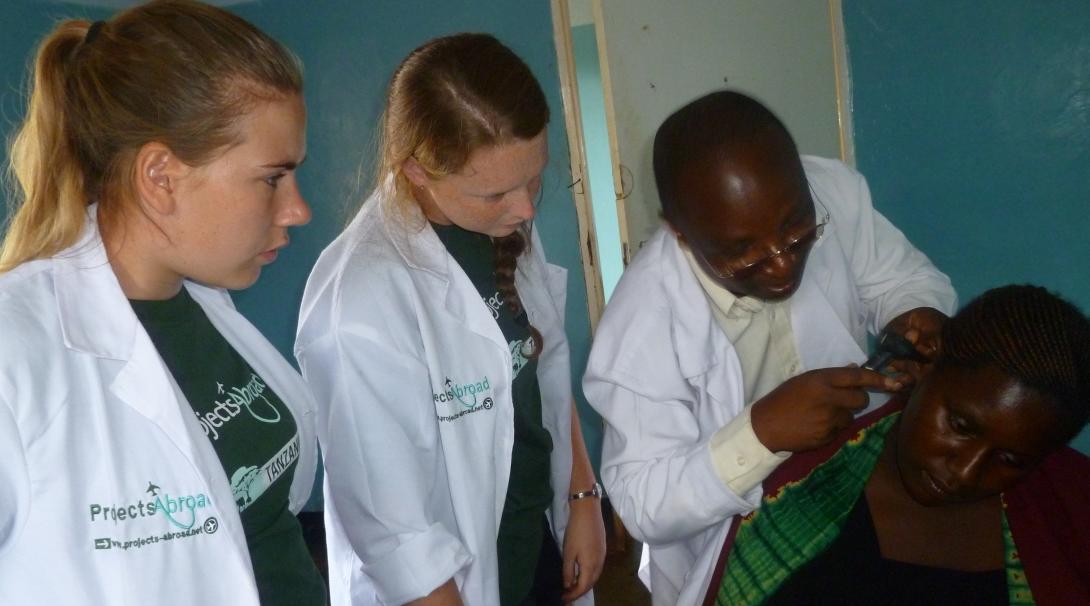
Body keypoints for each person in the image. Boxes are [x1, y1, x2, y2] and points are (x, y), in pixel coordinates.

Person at [0, 2, 325, 604]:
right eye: (273, 178)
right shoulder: (14, 352)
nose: (298, 210)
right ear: (160, 177)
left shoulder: (203, 304)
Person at [582, 90, 958, 604]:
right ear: (681, 234)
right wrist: (761, 433)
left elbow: (899, 277)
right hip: (737, 545)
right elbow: (643, 499)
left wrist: (916, 314)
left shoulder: (831, 191)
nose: (783, 267)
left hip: (856, 485)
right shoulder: (642, 324)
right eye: (743, 257)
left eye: (799, 235)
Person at [295, 33, 605, 606]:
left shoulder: (501, 227)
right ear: (417, 169)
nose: (526, 209)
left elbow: (545, 374)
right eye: (495, 194)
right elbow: (395, 537)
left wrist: (583, 497)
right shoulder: (362, 299)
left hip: (533, 540)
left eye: (533, 177)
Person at [706, 284, 1090, 605]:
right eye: (960, 425)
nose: (965, 472)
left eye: (1011, 460)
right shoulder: (794, 491)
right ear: (924, 367)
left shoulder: (1067, 515)